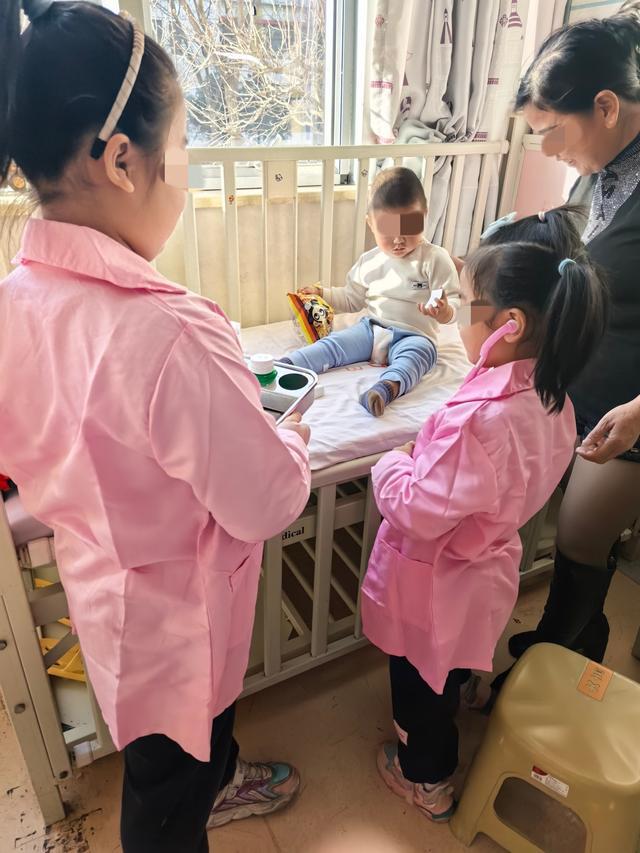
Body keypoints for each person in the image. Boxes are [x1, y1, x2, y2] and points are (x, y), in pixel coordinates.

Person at [0, 3, 311, 851]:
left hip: (104, 594)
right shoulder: (169, 332)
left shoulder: (16, 301)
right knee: (169, 795)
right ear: (122, 160)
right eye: (183, 151)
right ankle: (199, 801)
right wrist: (293, 438)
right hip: (181, 628)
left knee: (158, 755)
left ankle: (216, 780)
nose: (187, 176)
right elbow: (267, 501)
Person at [360, 237, 608, 822]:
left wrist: (392, 460)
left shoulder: (481, 421)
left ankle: (426, 779)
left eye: (470, 304)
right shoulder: (554, 400)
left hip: (436, 579)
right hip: (487, 565)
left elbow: (415, 509)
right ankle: (464, 688)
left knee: (419, 683)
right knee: (457, 653)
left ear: (510, 324)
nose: (459, 315)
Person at [505, 1, 640, 665]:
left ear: (606, 107)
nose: (550, 151)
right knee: (571, 541)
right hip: (580, 385)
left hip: (629, 407)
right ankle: (572, 639)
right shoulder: (600, 171)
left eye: (553, 132)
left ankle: (561, 653)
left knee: (582, 540)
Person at [282, 167, 460, 417]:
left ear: (424, 216)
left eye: (409, 226)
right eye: (388, 230)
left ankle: (385, 389)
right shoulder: (370, 261)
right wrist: (322, 293)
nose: (398, 240)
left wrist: (445, 311)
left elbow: (453, 301)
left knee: (415, 358)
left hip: (415, 335)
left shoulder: (434, 259)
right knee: (335, 344)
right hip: (372, 329)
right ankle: (286, 365)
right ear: (370, 224)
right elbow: (351, 299)